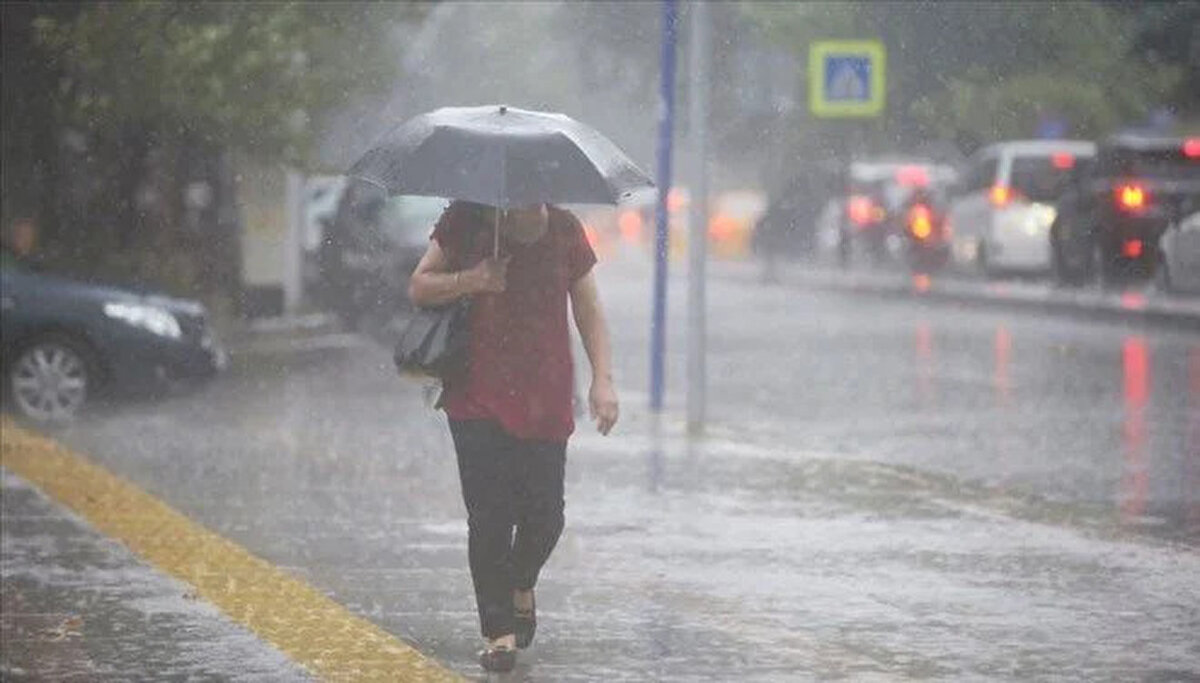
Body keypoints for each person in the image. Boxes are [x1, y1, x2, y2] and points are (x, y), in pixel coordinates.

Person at [407, 200, 618, 673]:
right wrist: (474, 279)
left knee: (547, 516)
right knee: (490, 517)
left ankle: (522, 581)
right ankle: (497, 631)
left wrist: (602, 378)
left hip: (545, 395)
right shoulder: (466, 220)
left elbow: (587, 307)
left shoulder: (564, 229)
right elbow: (420, 285)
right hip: (476, 395)